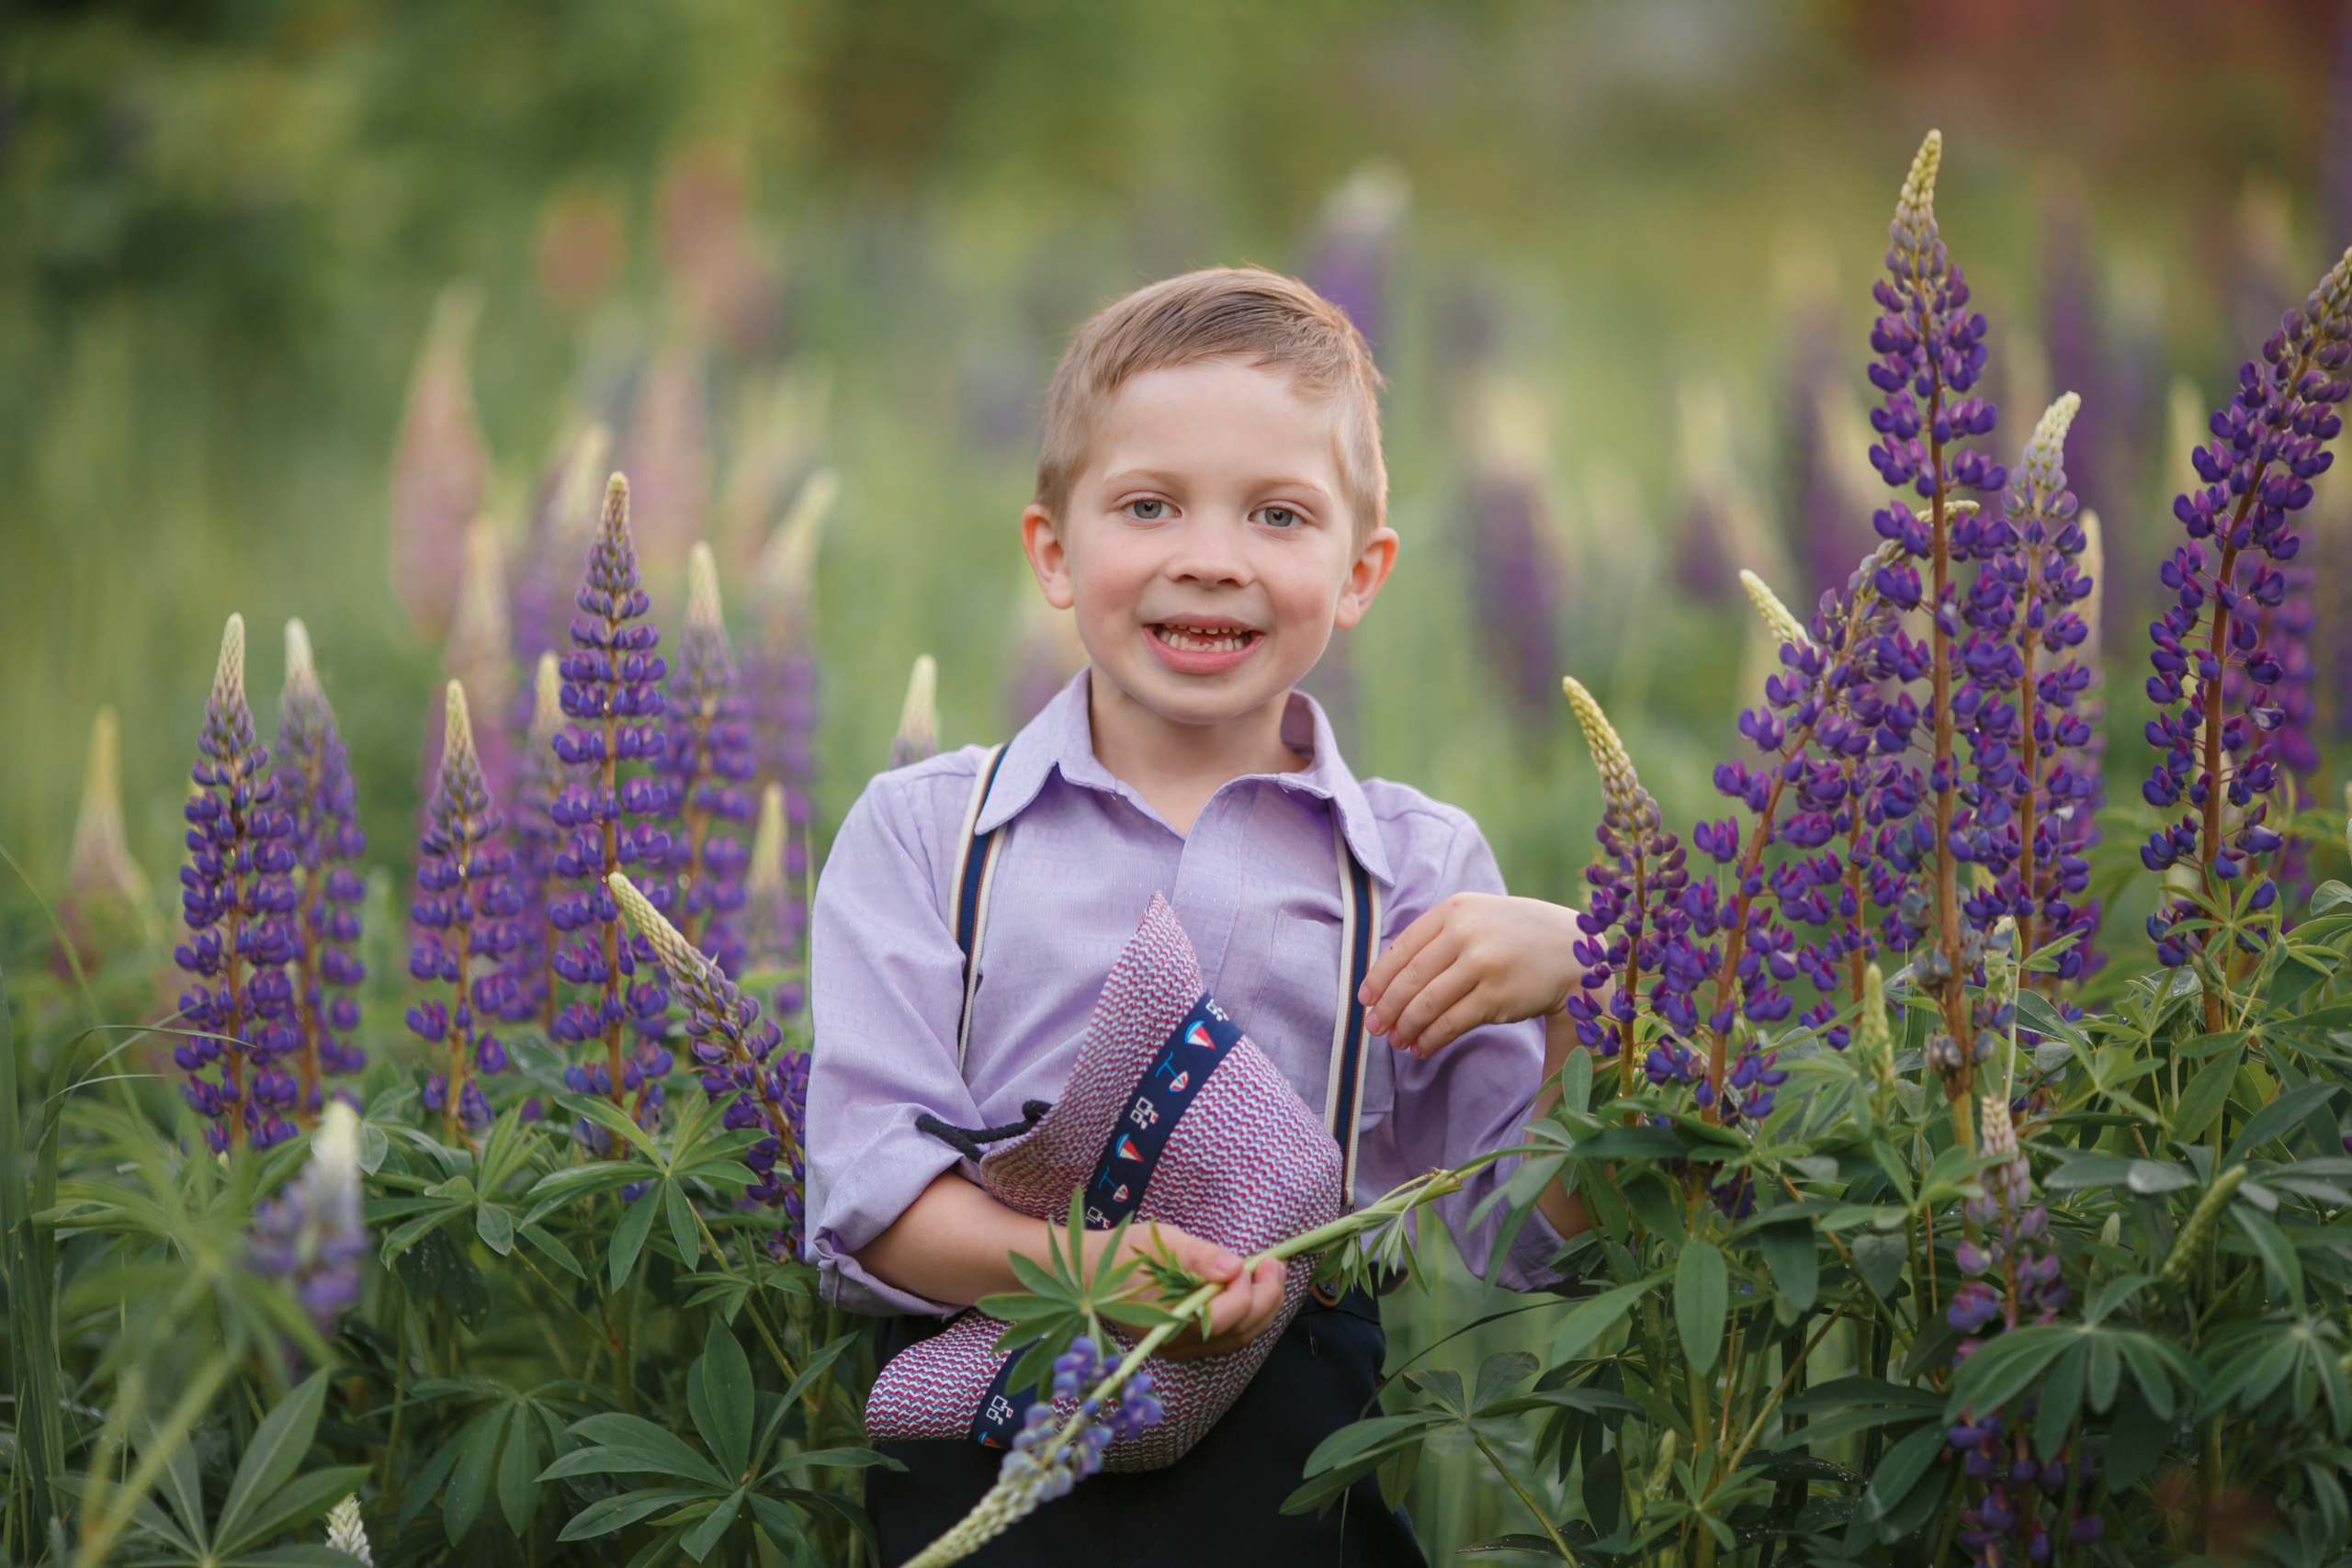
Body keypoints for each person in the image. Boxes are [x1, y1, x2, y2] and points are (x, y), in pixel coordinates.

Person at [806, 266, 1590, 1567]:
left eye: (1280, 515)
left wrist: (1584, 988)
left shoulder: (1413, 862)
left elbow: (1531, 1243)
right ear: (1054, 553)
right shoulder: (929, 835)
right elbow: (861, 1193)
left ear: (1359, 573)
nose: (1210, 559)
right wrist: (1096, 1274)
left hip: (1292, 1457)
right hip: (992, 1415)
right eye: (1149, 505)